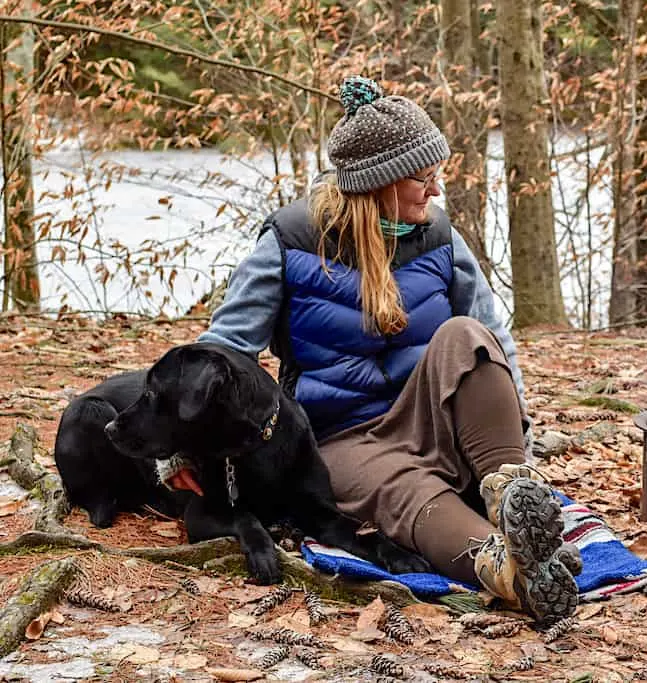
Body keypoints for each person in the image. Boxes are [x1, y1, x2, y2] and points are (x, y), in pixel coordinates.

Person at [157, 76, 580, 625]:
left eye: (437, 177)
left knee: (467, 337)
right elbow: (222, 354)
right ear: (378, 184)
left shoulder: (440, 237)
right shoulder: (290, 241)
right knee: (408, 490)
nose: (435, 191)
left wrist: (515, 434)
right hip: (342, 437)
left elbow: (494, 340)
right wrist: (178, 448)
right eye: (422, 179)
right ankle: (510, 569)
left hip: (432, 416)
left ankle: (512, 495)